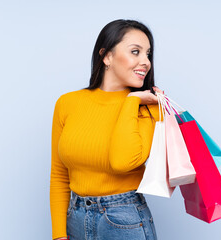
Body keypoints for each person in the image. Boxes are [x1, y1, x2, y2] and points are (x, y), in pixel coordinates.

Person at [50, 19, 164, 240]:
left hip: (125, 219)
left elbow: (122, 162)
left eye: (148, 54)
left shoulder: (149, 108)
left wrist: (132, 101)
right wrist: (58, 234)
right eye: (135, 51)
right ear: (107, 56)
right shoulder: (67, 103)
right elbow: (59, 175)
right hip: (75, 218)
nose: (145, 62)